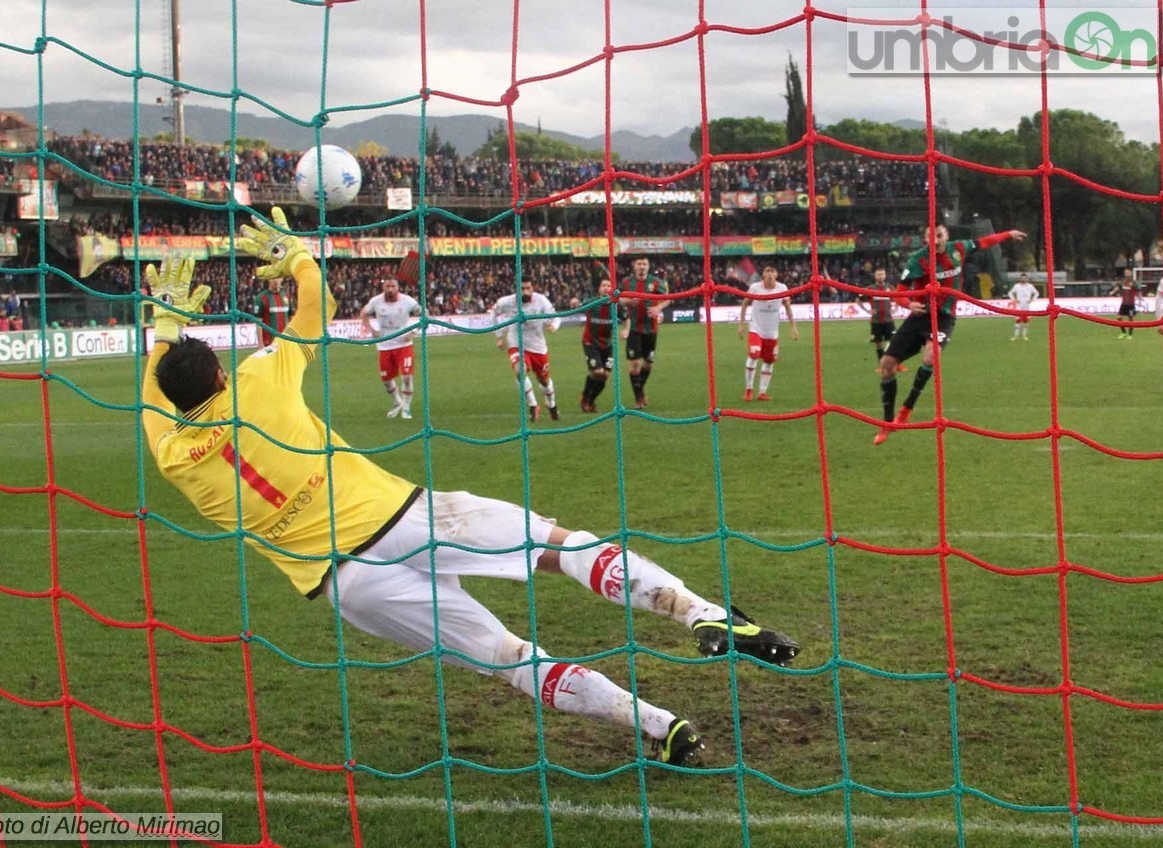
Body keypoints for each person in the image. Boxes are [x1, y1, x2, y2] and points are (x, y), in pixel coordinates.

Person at [139, 207, 800, 766]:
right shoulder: (260, 380)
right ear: (221, 374)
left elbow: (151, 403)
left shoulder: (172, 455)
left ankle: (660, 728)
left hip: (348, 586)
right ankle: (698, 613)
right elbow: (317, 304)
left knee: (512, 660)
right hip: (407, 517)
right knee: (556, 546)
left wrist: (160, 326)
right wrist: (297, 258)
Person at [874, 224, 1027, 445]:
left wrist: (1008, 234)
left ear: (946, 236)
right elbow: (898, 292)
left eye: (939, 235)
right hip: (920, 316)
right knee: (887, 364)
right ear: (925, 239)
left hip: (944, 317)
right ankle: (888, 423)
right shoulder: (918, 260)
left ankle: (906, 410)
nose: (935, 240)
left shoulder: (959, 248)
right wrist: (908, 303)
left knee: (930, 357)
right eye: (930, 236)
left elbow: (984, 242)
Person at [492, 277, 560, 421]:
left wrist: (553, 325)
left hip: (538, 347)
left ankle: (551, 405)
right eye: (522, 289)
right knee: (519, 371)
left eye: (528, 288)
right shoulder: (506, 302)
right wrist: (498, 336)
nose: (526, 291)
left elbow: (556, 316)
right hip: (517, 344)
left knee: (544, 380)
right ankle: (533, 405)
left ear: (532, 288)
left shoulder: (541, 300)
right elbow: (493, 313)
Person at [361, 278, 421, 419]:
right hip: (384, 345)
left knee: (407, 377)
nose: (390, 289)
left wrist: (414, 332)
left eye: (393, 286)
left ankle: (406, 407)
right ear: (383, 288)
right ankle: (397, 401)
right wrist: (371, 330)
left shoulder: (407, 301)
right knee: (387, 381)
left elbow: (424, 314)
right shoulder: (376, 301)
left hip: (404, 345)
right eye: (387, 286)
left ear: (397, 287)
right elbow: (364, 314)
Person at [737, 264, 799, 401]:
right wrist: (741, 325)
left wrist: (793, 327)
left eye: (772, 271)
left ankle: (762, 392)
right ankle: (749, 389)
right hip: (756, 329)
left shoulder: (782, 288)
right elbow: (745, 303)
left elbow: (788, 308)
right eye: (767, 271)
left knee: (769, 361)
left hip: (772, 332)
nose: (770, 274)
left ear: (776, 275)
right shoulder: (755, 288)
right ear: (763, 275)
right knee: (754, 355)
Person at [618, 255, 669, 409]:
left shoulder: (655, 282)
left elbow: (668, 298)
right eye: (639, 264)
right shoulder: (627, 282)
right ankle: (639, 398)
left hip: (651, 329)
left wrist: (657, 308)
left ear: (648, 266)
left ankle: (640, 389)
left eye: (644, 264)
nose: (642, 267)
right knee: (634, 364)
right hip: (634, 328)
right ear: (635, 266)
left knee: (648, 365)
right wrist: (627, 301)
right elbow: (617, 298)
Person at [580, 273, 629, 412]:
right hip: (590, 343)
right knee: (598, 372)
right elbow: (577, 307)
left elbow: (626, 319)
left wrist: (626, 330)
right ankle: (585, 397)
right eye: (604, 285)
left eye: (609, 285)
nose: (606, 287)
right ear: (599, 289)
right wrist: (574, 303)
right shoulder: (591, 303)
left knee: (605, 375)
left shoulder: (617, 306)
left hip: (607, 345)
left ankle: (591, 401)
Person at [857, 266, 906, 372]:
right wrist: (867, 310)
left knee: (894, 343)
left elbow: (898, 297)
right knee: (879, 344)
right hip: (876, 321)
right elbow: (858, 299)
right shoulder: (870, 288)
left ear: (885, 275)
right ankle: (881, 366)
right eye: (879, 274)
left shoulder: (890, 287)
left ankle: (897, 365)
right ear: (875, 276)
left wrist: (896, 307)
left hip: (889, 320)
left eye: (883, 274)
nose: (881, 276)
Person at [254, 277, 292, 347]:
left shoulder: (286, 297)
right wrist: (260, 344)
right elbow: (258, 323)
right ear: (269, 280)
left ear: (282, 279)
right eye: (273, 278)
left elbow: (291, 319)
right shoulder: (261, 298)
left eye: (278, 278)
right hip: (268, 344)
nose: (275, 281)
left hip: (285, 343)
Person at [1006, 273, 1040, 341]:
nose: (1023, 279)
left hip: (1026, 305)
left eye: (1025, 278)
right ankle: (1016, 336)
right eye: (1022, 278)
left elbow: (1036, 293)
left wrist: (1032, 299)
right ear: (1020, 279)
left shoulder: (1030, 286)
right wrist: (1014, 299)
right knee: (1017, 320)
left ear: (1027, 279)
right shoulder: (1017, 286)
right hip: (1019, 305)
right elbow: (1010, 293)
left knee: (1026, 320)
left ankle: (1024, 336)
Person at [1109, 275, 1138, 339]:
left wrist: (1140, 298)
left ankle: (1130, 335)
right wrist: (1113, 292)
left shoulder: (1134, 283)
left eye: (1129, 272)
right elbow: (1118, 287)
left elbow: (1138, 289)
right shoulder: (1123, 283)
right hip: (1124, 304)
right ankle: (1123, 332)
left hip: (1131, 304)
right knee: (1119, 317)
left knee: (1130, 319)